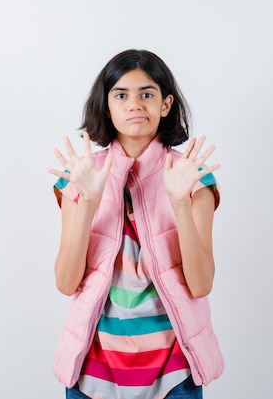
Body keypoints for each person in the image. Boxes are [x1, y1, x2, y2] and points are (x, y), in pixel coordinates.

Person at [48, 49, 224, 399]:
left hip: (174, 369)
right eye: (121, 95)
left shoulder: (193, 178)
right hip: (93, 370)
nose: (134, 104)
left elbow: (201, 284)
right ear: (107, 105)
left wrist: (179, 201)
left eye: (147, 94)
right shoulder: (80, 177)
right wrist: (89, 203)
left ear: (165, 104)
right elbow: (67, 283)